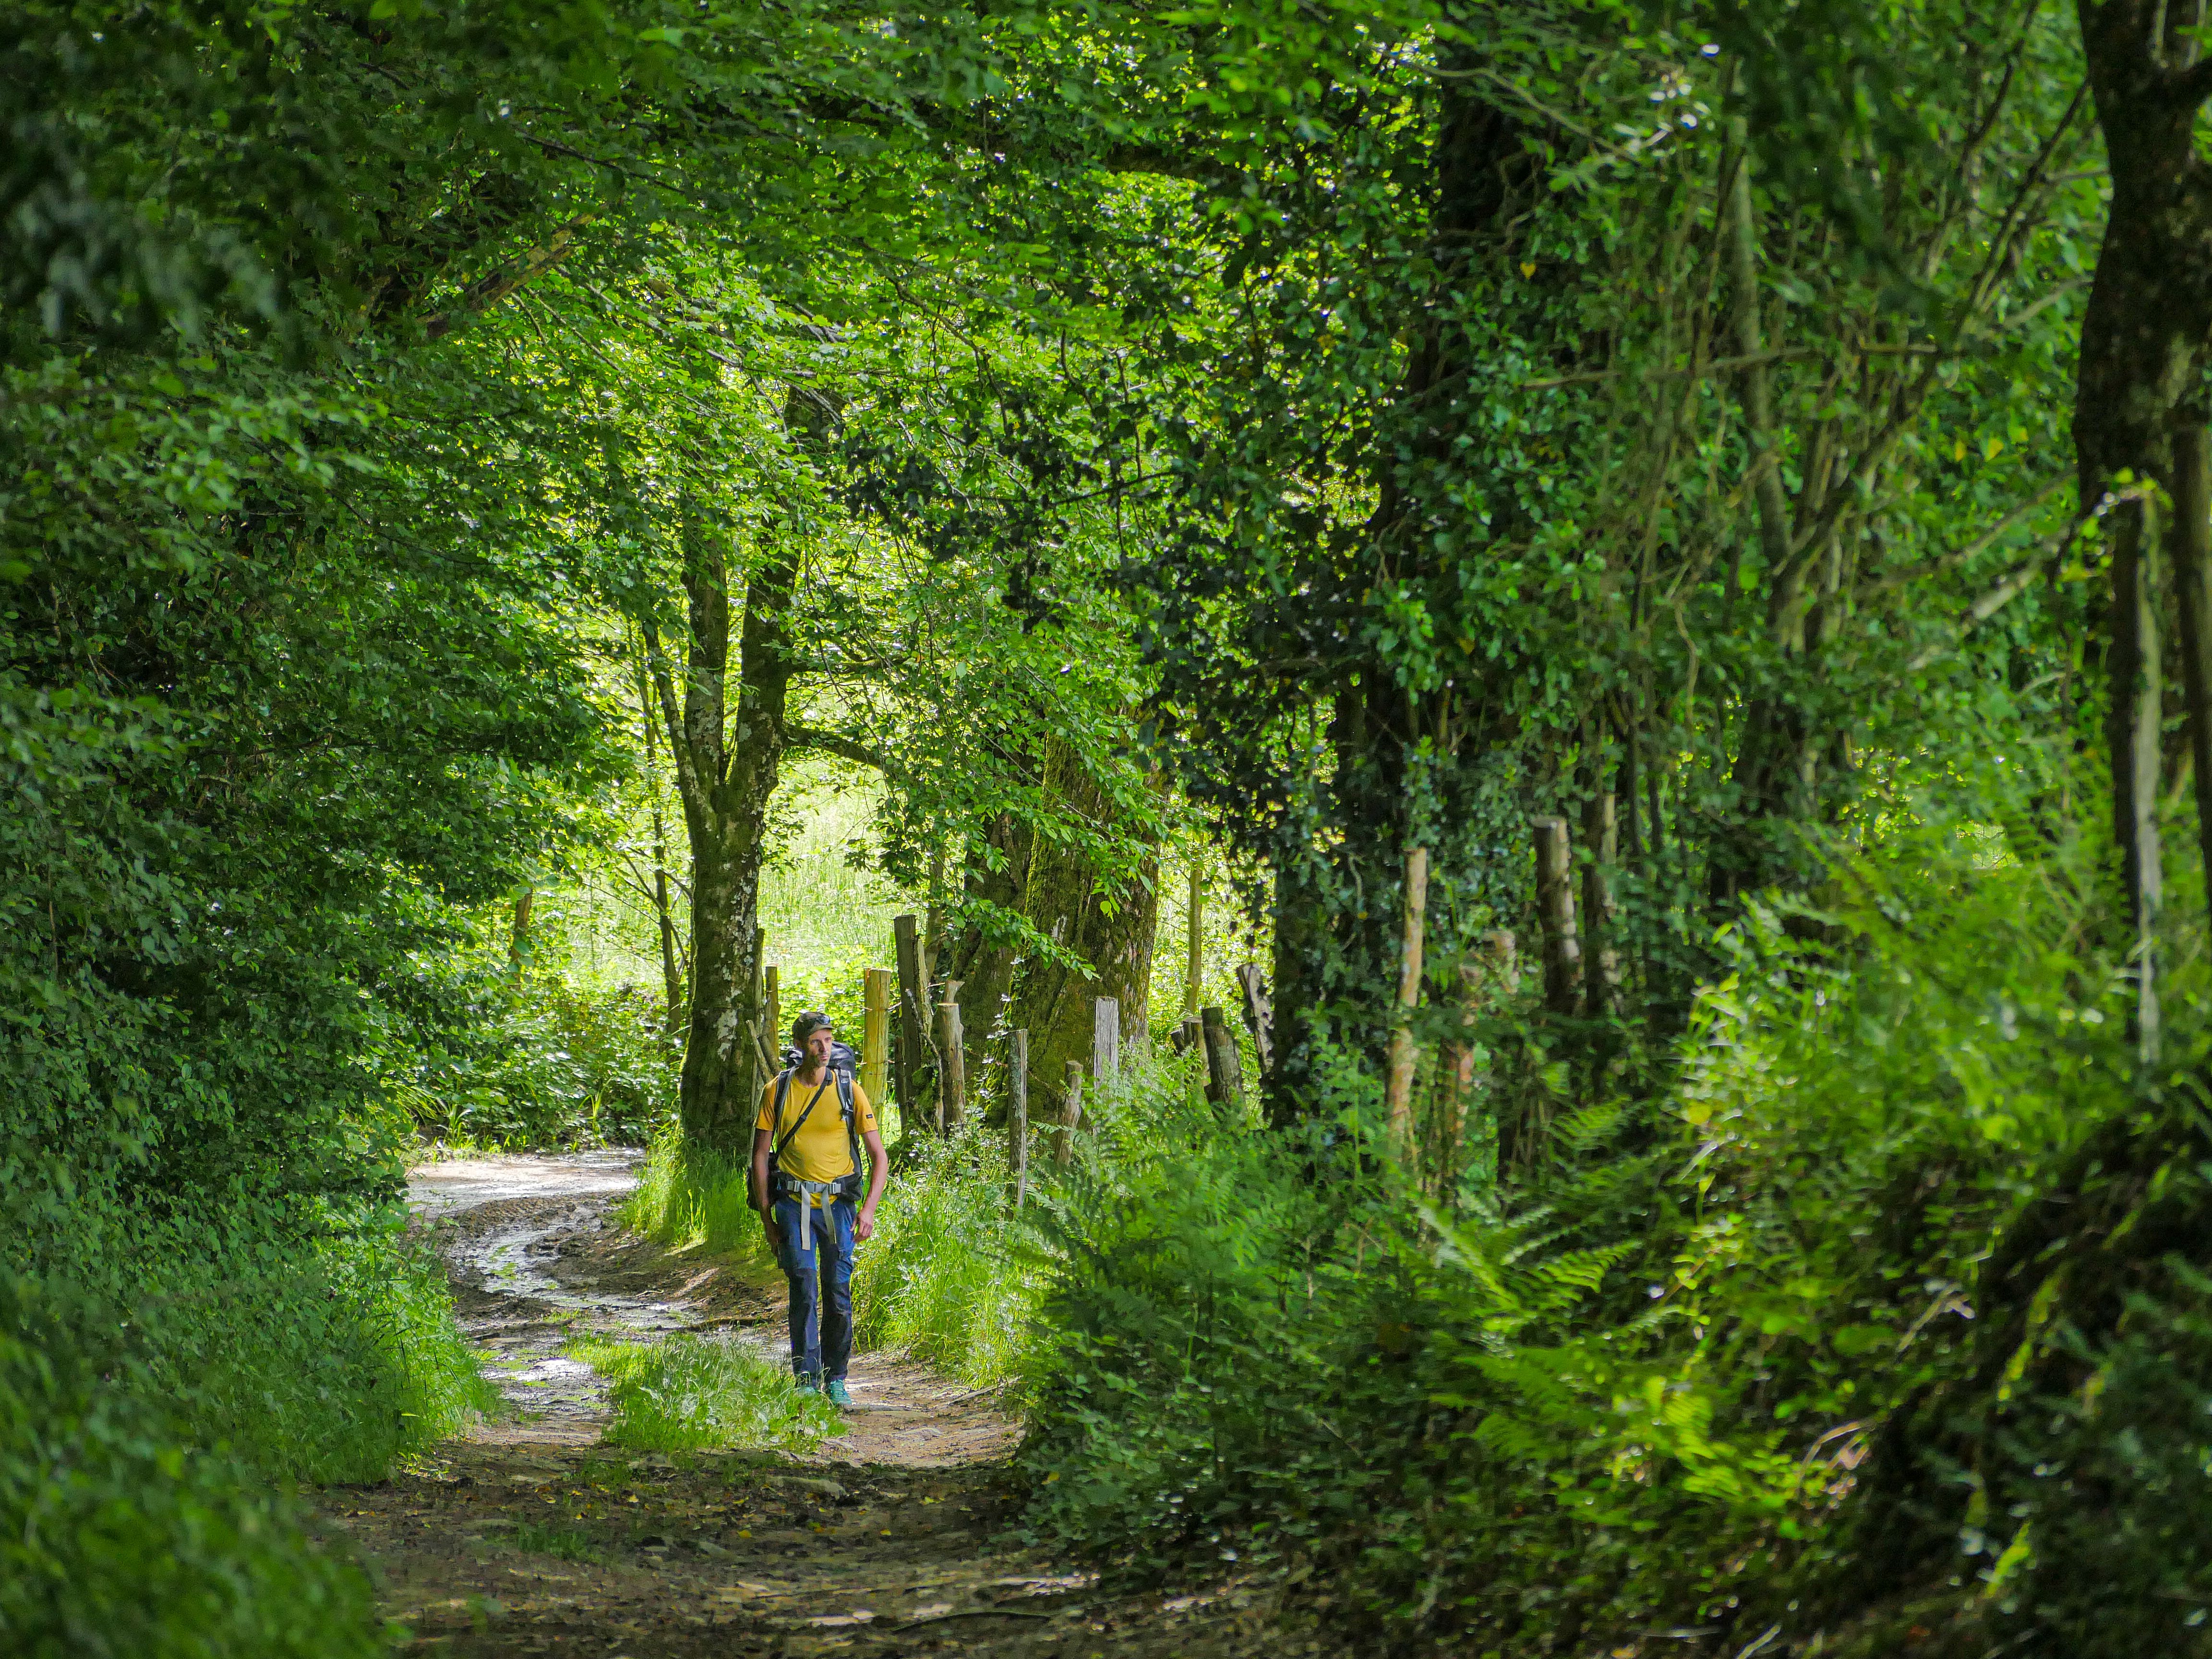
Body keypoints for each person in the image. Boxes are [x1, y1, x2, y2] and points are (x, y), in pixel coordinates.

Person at [750, 1010, 887, 1407]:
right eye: (815, 1041)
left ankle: (837, 1379)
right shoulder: (776, 1091)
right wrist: (766, 1218)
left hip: (840, 1206)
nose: (824, 1048)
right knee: (804, 1289)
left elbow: (879, 1155)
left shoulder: (849, 1089)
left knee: (838, 1292)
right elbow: (760, 1157)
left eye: (828, 1040)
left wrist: (869, 1210)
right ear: (799, 1046)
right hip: (794, 1205)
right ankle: (806, 1379)